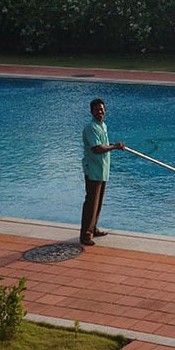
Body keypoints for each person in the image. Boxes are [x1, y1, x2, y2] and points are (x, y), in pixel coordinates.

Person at [80, 97, 123, 245]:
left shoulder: (102, 125)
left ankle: (93, 228)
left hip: (102, 169)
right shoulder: (90, 128)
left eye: (102, 109)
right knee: (91, 202)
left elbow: (103, 145)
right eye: (97, 109)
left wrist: (112, 145)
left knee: (98, 201)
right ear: (91, 111)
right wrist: (114, 147)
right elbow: (97, 148)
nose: (100, 112)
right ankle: (85, 234)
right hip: (93, 170)